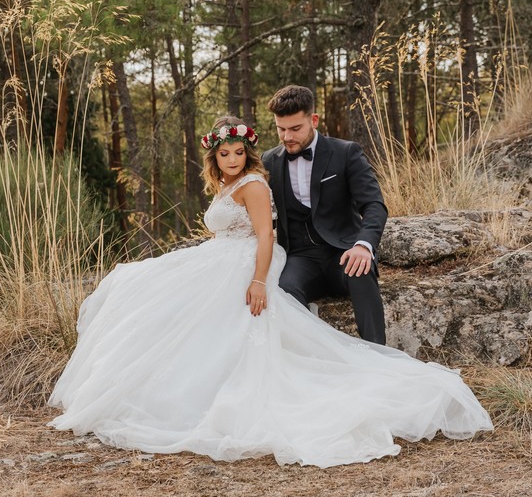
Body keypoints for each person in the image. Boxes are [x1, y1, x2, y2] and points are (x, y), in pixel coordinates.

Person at [48, 116, 492, 468]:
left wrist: (259, 281)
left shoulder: (256, 183)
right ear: (214, 157)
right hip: (223, 257)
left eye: (239, 151)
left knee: (223, 312)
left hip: (253, 261)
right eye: (225, 153)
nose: (233, 158)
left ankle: (376, 360)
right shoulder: (235, 181)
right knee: (142, 288)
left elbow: (266, 235)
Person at [262, 85, 387, 343]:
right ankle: (309, 357)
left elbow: (373, 204)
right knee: (284, 290)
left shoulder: (346, 152)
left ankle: (378, 352)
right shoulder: (268, 161)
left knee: (361, 271)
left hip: (343, 252)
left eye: (295, 128)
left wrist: (363, 245)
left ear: (314, 120)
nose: (287, 137)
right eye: (281, 129)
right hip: (300, 258)